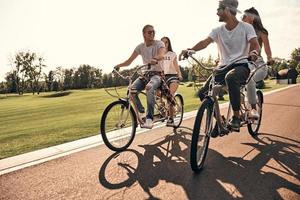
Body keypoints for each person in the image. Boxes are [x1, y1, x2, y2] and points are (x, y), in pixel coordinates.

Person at [180, 0, 260, 133]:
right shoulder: (217, 30)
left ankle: (236, 116)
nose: (217, 12)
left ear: (227, 10)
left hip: (241, 66)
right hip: (222, 68)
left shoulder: (246, 27)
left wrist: (254, 52)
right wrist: (190, 49)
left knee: (231, 77)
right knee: (203, 93)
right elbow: (205, 42)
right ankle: (220, 120)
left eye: (219, 9)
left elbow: (255, 44)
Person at [114, 25, 166, 129]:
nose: (152, 33)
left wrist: (155, 58)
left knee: (149, 87)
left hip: (157, 74)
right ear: (144, 34)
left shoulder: (159, 43)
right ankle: (142, 112)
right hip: (145, 75)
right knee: (131, 90)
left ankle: (149, 118)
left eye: (153, 31)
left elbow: (162, 55)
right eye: (149, 32)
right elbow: (129, 61)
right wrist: (118, 66)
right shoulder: (140, 47)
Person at [242, 7, 274, 119]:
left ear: (254, 18)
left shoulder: (261, 32)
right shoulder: (240, 30)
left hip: (259, 65)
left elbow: (267, 47)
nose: (244, 17)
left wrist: (269, 57)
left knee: (249, 79)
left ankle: (254, 109)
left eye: (248, 15)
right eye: (244, 16)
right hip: (244, 62)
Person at [160, 36, 183, 126]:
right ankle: (169, 106)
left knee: (169, 94)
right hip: (162, 76)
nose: (164, 44)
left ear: (168, 44)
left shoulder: (172, 54)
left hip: (172, 76)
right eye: (162, 42)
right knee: (158, 93)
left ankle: (171, 119)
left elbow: (176, 65)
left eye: (166, 42)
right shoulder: (158, 55)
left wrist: (179, 74)